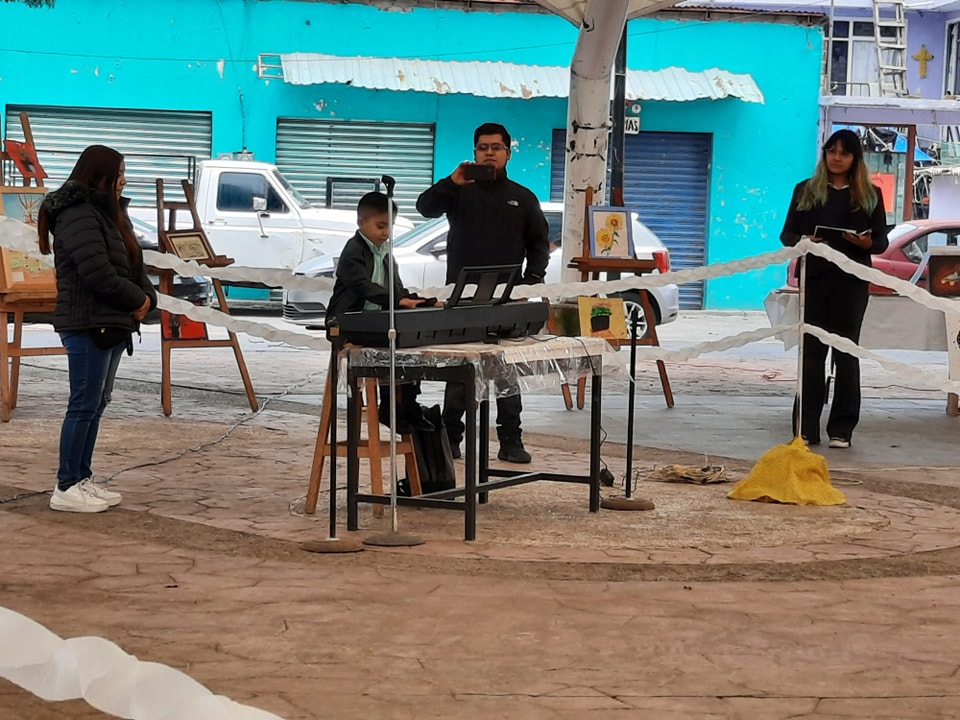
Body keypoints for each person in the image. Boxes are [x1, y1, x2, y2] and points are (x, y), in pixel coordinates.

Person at [416, 122, 550, 464]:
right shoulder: (458, 191)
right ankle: (450, 438)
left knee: (506, 370)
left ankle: (510, 440)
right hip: (460, 298)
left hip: (508, 298)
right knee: (461, 371)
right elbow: (424, 208)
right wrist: (451, 182)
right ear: (474, 152)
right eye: (482, 147)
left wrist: (531, 280)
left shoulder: (522, 197)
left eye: (495, 147)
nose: (489, 152)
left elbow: (538, 243)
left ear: (508, 152)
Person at [37, 145, 157, 513]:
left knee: (97, 403)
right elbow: (97, 272)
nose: (124, 179)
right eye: (119, 172)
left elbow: (132, 263)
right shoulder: (77, 214)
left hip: (112, 322)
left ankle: (82, 477)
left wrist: (146, 297)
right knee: (83, 404)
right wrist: (136, 300)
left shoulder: (111, 213)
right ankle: (66, 485)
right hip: (87, 322)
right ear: (100, 175)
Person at [780, 128, 888, 449]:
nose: (836, 158)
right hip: (815, 279)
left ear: (855, 159)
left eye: (844, 153)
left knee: (846, 353)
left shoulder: (869, 194)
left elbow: (880, 241)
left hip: (851, 283)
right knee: (812, 354)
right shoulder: (805, 191)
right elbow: (787, 236)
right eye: (831, 151)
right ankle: (806, 427)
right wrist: (804, 241)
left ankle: (842, 428)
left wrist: (867, 241)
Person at [326, 191, 433, 433]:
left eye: (390, 227)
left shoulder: (387, 253)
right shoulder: (353, 251)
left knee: (411, 342)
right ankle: (389, 406)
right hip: (347, 321)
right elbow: (362, 287)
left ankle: (407, 403)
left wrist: (422, 302)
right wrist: (398, 300)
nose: (386, 233)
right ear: (361, 223)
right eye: (381, 226)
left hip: (377, 321)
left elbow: (397, 289)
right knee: (393, 345)